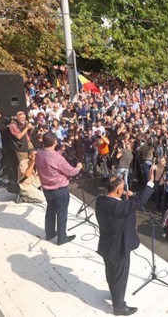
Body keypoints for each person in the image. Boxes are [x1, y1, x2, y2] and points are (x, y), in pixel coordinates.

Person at [95, 167, 155, 316]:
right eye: (122, 189)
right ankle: (119, 307)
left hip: (106, 245)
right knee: (120, 277)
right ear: (118, 191)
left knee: (110, 272)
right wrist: (150, 182)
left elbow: (120, 206)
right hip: (119, 248)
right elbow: (139, 202)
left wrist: (125, 197)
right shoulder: (119, 207)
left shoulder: (100, 200)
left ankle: (114, 294)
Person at [36, 131, 82, 245]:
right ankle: (62, 238)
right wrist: (78, 167)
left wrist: (61, 150)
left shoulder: (40, 153)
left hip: (47, 189)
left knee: (50, 210)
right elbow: (71, 172)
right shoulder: (57, 158)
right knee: (62, 213)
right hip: (60, 190)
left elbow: (51, 160)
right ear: (54, 142)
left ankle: (50, 233)